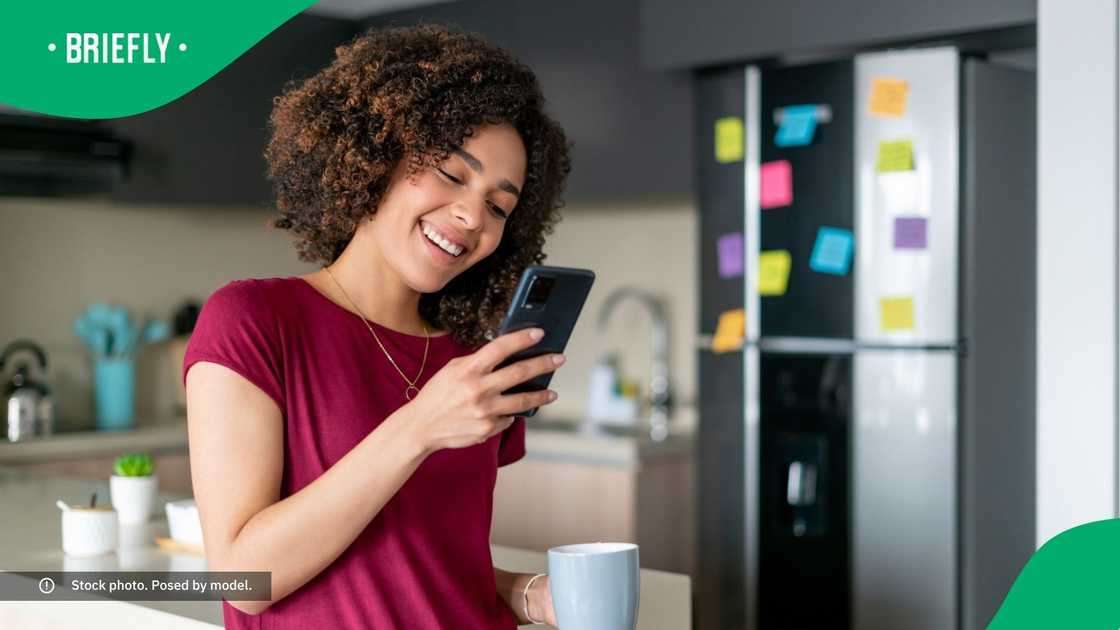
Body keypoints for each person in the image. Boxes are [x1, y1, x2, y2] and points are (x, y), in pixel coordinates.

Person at [182, 24, 572, 629]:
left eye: (499, 206)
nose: (473, 216)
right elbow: (244, 579)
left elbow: (416, 562)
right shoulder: (253, 321)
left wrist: (527, 594)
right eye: (452, 174)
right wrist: (419, 426)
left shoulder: (472, 362)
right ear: (379, 156)